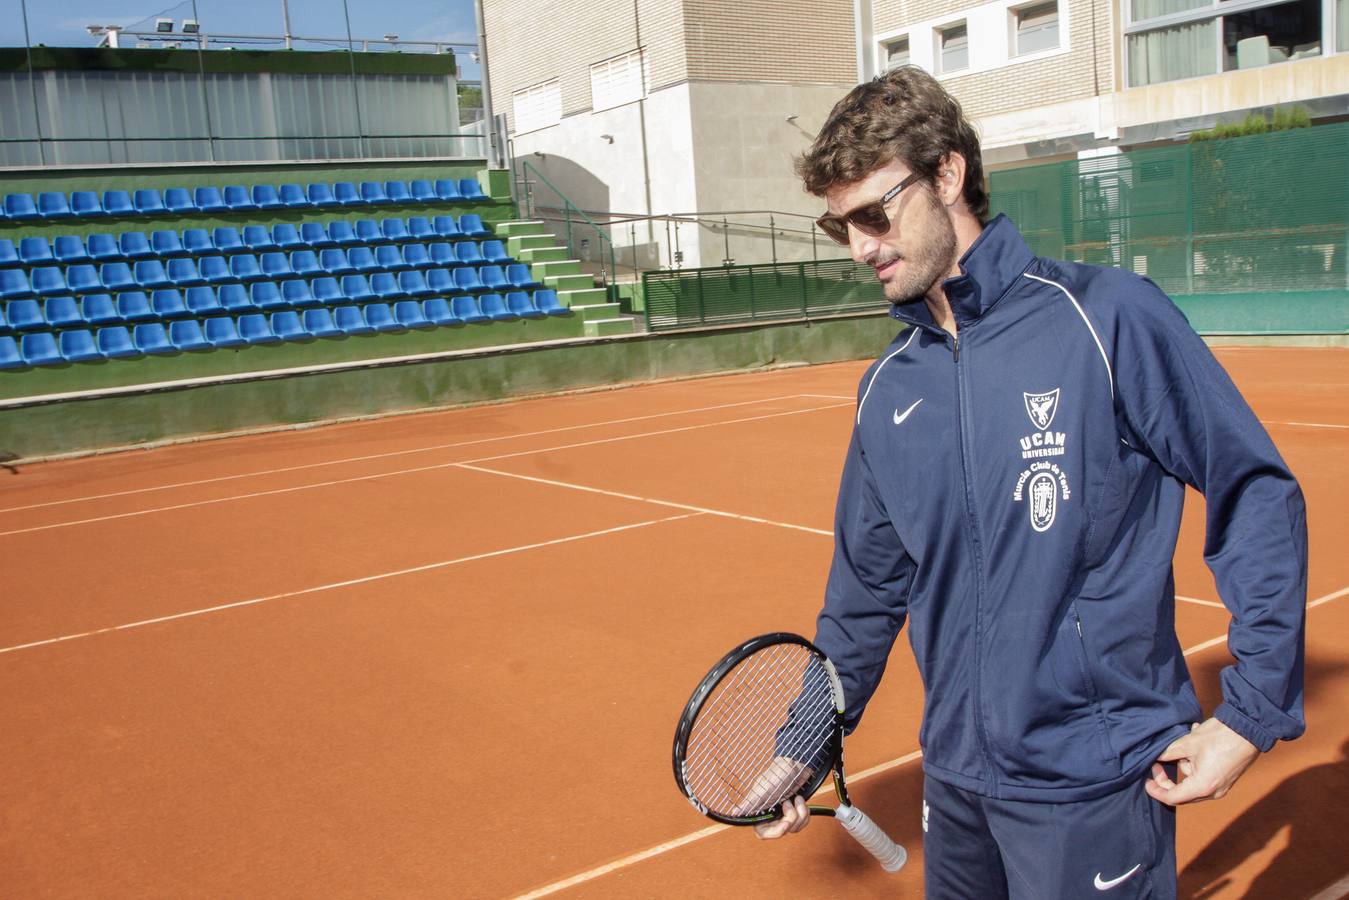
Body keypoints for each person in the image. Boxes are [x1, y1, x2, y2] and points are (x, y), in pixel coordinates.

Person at [754, 67, 1308, 899]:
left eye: (874, 213)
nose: (862, 246)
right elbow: (867, 589)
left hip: (1093, 780)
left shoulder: (1106, 316)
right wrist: (807, 739)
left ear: (946, 173)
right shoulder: (888, 386)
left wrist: (1249, 714)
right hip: (956, 781)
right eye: (841, 228)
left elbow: (1253, 489)